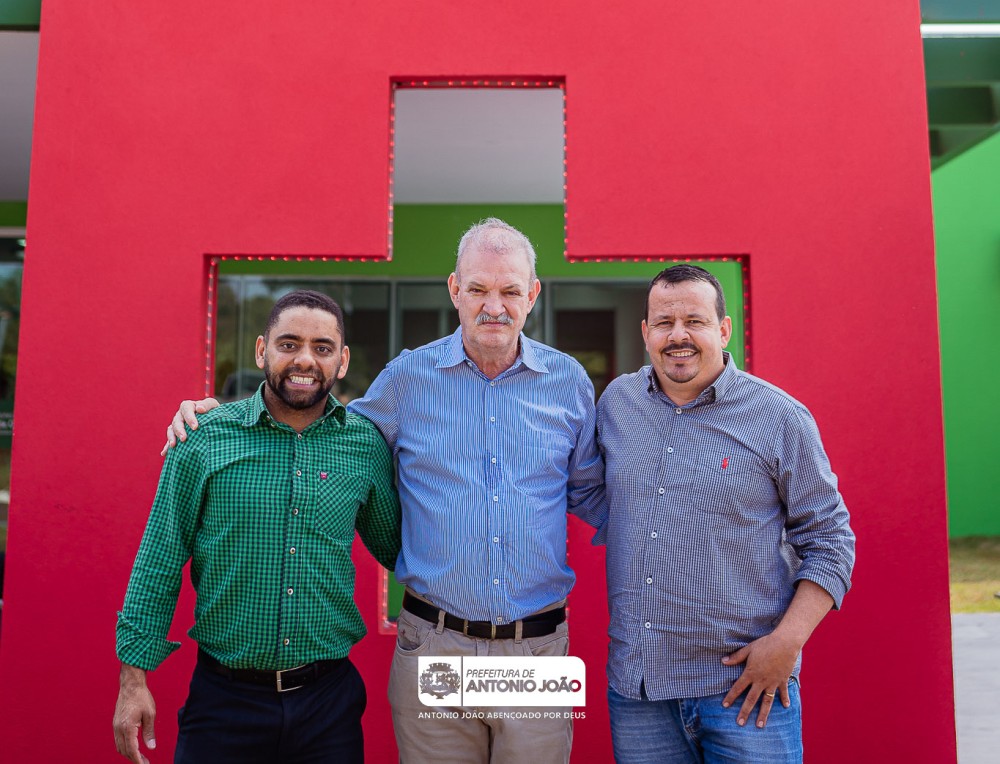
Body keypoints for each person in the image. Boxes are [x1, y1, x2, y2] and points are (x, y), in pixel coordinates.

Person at [167, 219, 606, 764]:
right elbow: (329, 436)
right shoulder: (406, 379)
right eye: (478, 289)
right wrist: (222, 419)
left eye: (511, 291)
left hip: (536, 650)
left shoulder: (569, 382)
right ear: (455, 290)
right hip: (436, 646)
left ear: (533, 294)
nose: (494, 306)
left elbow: (593, 491)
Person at [114, 290, 401, 764]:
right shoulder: (203, 438)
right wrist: (133, 680)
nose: (305, 360)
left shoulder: (363, 445)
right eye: (289, 344)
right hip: (224, 703)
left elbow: (400, 549)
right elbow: (159, 559)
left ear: (342, 361)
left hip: (328, 704)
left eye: (322, 348)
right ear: (261, 350)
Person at [596, 264, 854, 764]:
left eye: (694, 320)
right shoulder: (617, 405)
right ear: (646, 332)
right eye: (664, 322)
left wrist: (787, 643)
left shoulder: (779, 417)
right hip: (639, 691)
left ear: (724, 328)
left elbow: (830, 540)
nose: (678, 335)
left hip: (747, 689)